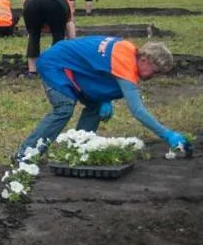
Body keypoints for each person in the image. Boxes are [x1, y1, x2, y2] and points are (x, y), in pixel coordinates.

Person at [16, 37, 191, 160]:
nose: (154, 76)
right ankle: (26, 153)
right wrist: (167, 135)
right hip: (55, 63)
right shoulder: (125, 64)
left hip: (72, 66)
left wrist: (103, 99)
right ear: (144, 59)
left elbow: (98, 65)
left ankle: (79, 147)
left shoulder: (126, 49)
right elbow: (137, 110)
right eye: (155, 71)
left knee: (94, 108)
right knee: (64, 107)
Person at [22, 0, 77, 76]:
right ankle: (57, 67)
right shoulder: (66, 0)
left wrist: (32, 34)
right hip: (56, 2)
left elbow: (30, 29)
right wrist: (73, 44)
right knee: (58, 36)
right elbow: (69, 23)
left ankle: (32, 71)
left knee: (34, 37)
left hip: (31, 2)